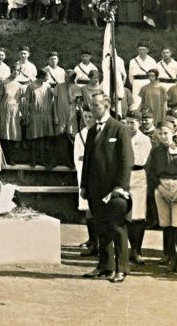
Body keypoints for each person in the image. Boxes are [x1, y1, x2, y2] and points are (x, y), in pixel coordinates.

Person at [80, 92, 133, 283]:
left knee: (117, 228)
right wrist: (84, 185)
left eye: (96, 106)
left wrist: (121, 186)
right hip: (95, 190)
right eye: (91, 106)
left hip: (115, 190)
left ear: (107, 105)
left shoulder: (119, 129)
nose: (93, 110)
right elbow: (87, 160)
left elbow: (126, 160)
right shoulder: (92, 130)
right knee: (101, 227)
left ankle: (122, 269)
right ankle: (105, 266)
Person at [146, 118, 177, 273]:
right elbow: (150, 173)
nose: (163, 136)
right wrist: (160, 188)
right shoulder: (155, 152)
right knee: (167, 225)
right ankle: (170, 256)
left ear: (172, 133)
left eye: (166, 133)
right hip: (161, 187)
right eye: (160, 133)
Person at [123, 111, 152, 265]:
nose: (129, 125)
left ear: (139, 123)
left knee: (139, 215)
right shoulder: (123, 136)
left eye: (133, 122)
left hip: (139, 176)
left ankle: (137, 250)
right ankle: (130, 248)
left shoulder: (145, 139)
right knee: (126, 212)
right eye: (127, 122)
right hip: (125, 176)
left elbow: (140, 159)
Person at [74, 107, 97, 257]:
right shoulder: (80, 135)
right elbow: (77, 157)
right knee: (87, 207)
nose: (88, 119)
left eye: (91, 116)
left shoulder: (99, 132)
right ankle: (92, 239)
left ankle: (99, 241)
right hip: (84, 172)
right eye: (86, 116)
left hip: (97, 172)